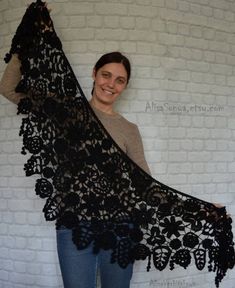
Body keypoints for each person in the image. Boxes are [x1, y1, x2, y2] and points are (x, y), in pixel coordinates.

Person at [0, 51, 151, 288]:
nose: (111, 84)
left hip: (121, 227)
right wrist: (26, 39)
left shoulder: (129, 129)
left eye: (119, 80)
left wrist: (198, 210)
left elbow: (145, 183)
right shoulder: (65, 110)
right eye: (106, 75)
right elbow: (8, 88)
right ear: (94, 73)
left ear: (125, 86)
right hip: (74, 225)